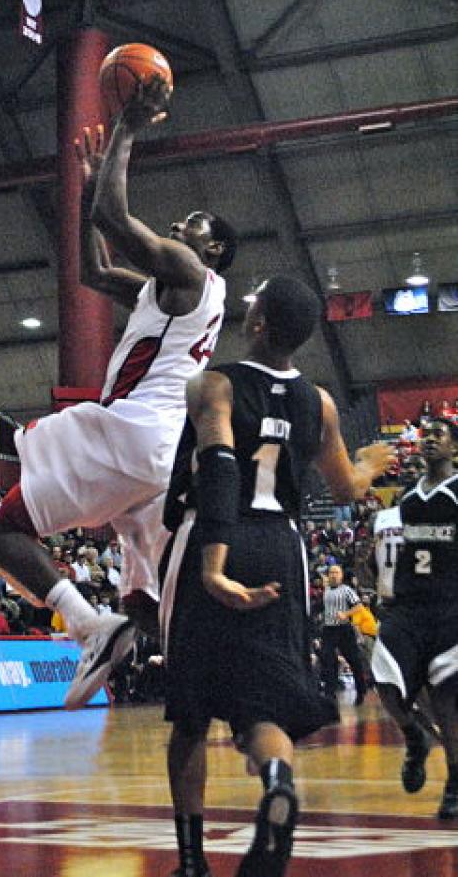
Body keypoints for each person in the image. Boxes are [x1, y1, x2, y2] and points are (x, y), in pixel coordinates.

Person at [0, 84, 237, 708]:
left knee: (2, 533)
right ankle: (206, 694)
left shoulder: (191, 275)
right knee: (143, 600)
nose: (178, 229)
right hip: (159, 453)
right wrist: (92, 187)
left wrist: (126, 128)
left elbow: (116, 222)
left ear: (214, 251)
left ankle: (84, 624)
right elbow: (93, 271)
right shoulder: (165, 292)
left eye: (189, 228)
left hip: (135, 434)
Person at [161, 275, 392, 877]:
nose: (246, 307)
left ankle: (192, 862)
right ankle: (277, 781)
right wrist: (368, 464)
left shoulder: (215, 383)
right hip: (284, 547)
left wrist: (213, 563)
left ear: (260, 325)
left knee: (190, 715)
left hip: (218, 532)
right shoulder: (320, 403)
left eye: (254, 303)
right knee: (264, 707)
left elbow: (216, 466)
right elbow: (346, 489)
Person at [371, 417, 458, 817]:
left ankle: (455, 778)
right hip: (407, 607)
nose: (428, 441)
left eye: (438, 436)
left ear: (454, 448)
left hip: (449, 607)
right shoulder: (406, 498)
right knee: (385, 681)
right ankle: (414, 738)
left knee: (446, 701)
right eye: (425, 436)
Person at [320, 564, 368, 705]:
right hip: (329, 629)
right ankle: (330, 692)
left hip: (343, 629)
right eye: (331, 572)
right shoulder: (326, 590)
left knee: (353, 659)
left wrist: (346, 614)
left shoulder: (346, 590)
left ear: (341, 575)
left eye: (336, 572)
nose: (333, 575)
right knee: (328, 659)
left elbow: (359, 606)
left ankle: (361, 689)